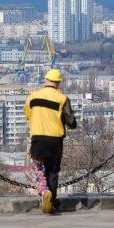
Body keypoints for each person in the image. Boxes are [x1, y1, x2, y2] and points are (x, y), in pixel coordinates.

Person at [24, 68, 77, 214]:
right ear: (58, 83)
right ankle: (51, 202)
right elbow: (71, 122)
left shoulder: (33, 97)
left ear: (45, 80)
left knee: (40, 171)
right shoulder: (62, 99)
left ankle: (43, 193)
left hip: (37, 139)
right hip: (55, 140)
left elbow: (27, 115)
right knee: (52, 172)